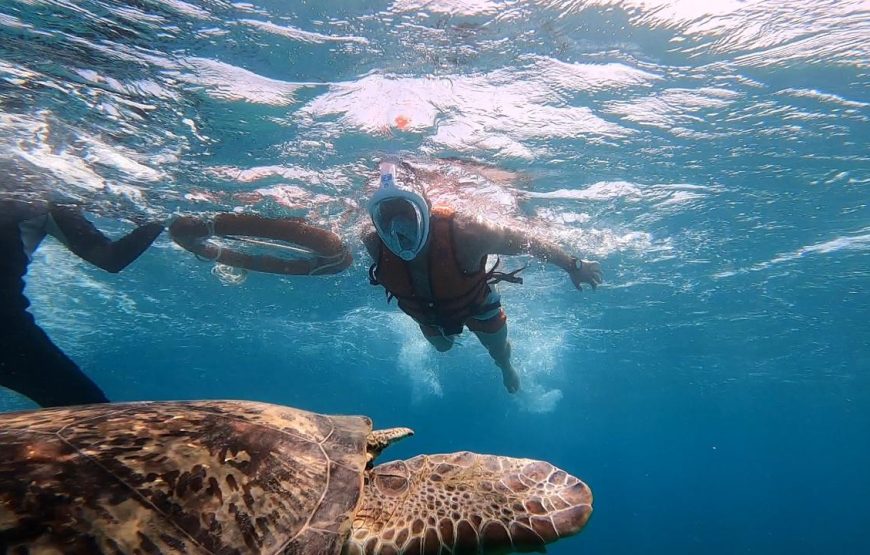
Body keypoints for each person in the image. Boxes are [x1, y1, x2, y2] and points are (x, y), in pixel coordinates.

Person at [363, 159, 603, 394]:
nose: (398, 231)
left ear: (427, 208)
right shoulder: (373, 242)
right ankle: (454, 334)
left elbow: (528, 242)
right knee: (443, 347)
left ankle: (506, 367)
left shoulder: (468, 233)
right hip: (427, 315)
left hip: (477, 303)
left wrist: (573, 265)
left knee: (498, 350)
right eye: (387, 219)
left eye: (406, 214)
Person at [0, 200, 164, 407]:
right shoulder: (46, 201)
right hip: (6, 331)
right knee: (87, 411)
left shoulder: (25, 194)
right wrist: (160, 220)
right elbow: (110, 258)